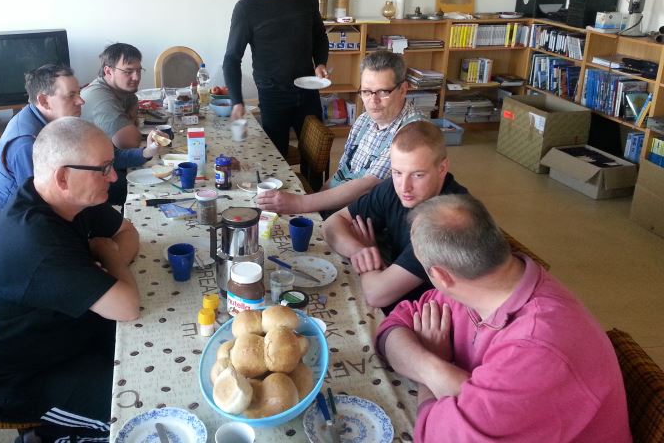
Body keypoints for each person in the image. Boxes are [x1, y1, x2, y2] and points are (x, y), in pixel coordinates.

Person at [375, 195, 631, 443]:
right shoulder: (480, 279)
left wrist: (433, 370)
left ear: (441, 276)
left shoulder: (535, 349)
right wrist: (435, 369)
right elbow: (393, 326)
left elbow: (436, 435)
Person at [0, 118, 142, 442]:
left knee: (152, 345)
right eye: (104, 168)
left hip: (57, 335)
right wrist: (108, 253)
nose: (113, 176)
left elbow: (127, 231)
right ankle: (48, 436)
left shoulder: (61, 197)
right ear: (63, 177)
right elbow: (127, 306)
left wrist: (109, 260)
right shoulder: (35, 240)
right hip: (13, 381)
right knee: (143, 408)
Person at [257, 50, 424, 216]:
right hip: (340, 210)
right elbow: (342, 173)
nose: (373, 101)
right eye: (366, 92)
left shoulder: (413, 132)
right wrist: (317, 207)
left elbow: (367, 185)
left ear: (403, 89)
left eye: (383, 92)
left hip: (367, 219)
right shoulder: (364, 119)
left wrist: (301, 203)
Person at [322, 121, 467, 310]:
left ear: (442, 168)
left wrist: (369, 258)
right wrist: (359, 251)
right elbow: (332, 224)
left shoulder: (448, 222)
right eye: (397, 172)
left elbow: (376, 295)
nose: (404, 187)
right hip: (394, 292)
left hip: (427, 314)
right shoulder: (393, 187)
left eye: (418, 175)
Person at [223, 0, 329, 157]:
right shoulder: (246, 8)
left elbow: (319, 34)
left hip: (308, 90)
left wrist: (321, 62)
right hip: (273, 96)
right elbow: (231, 59)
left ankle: (313, 183)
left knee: (316, 155)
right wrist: (237, 101)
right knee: (275, 158)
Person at [0, 64, 84, 222]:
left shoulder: (52, 120)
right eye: (71, 95)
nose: (81, 101)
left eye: (79, 93)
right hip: (20, 223)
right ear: (44, 101)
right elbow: (40, 203)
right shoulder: (26, 143)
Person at [81, 42, 165, 204]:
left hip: (111, 160)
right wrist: (130, 124)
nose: (136, 77)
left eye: (139, 70)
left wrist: (129, 122)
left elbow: (134, 104)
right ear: (108, 71)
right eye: (128, 71)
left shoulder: (121, 90)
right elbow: (129, 142)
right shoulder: (100, 97)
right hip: (92, 176)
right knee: (157, 187)